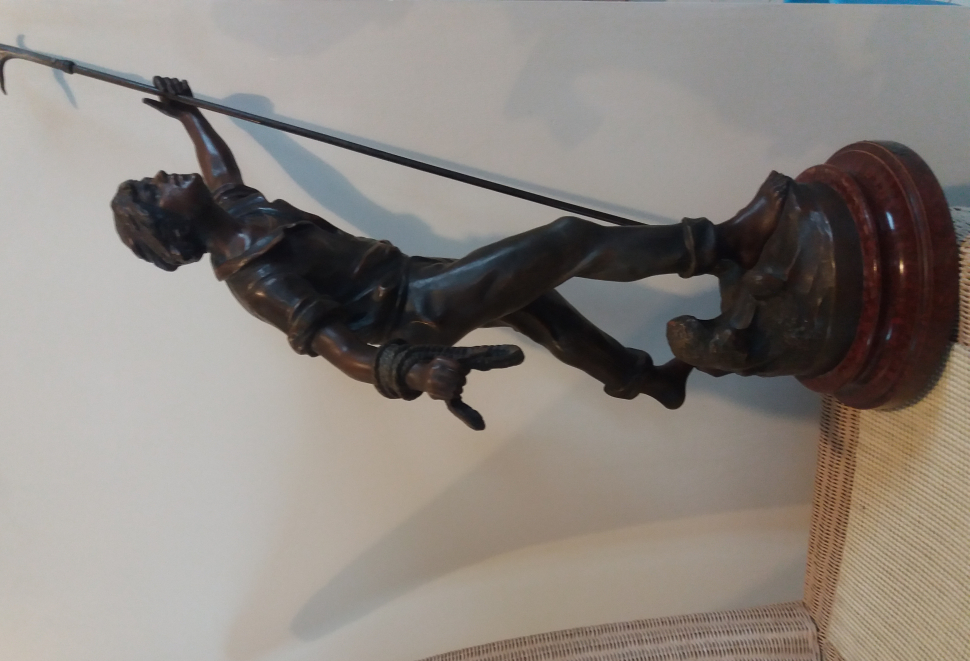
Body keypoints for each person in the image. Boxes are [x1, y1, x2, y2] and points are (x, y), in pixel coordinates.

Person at [112, 78, 787, 428]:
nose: (165, 175)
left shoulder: (236, 210)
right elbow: (341, 350)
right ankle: (726, 243)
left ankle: (652, 383)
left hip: (412, 276)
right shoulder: (256, 280)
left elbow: (220, 168)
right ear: (172, 227)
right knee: (566, 242)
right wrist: (412, 372)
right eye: (155, 189)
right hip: (415, 312)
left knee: (542, 308)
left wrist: (189, 113)